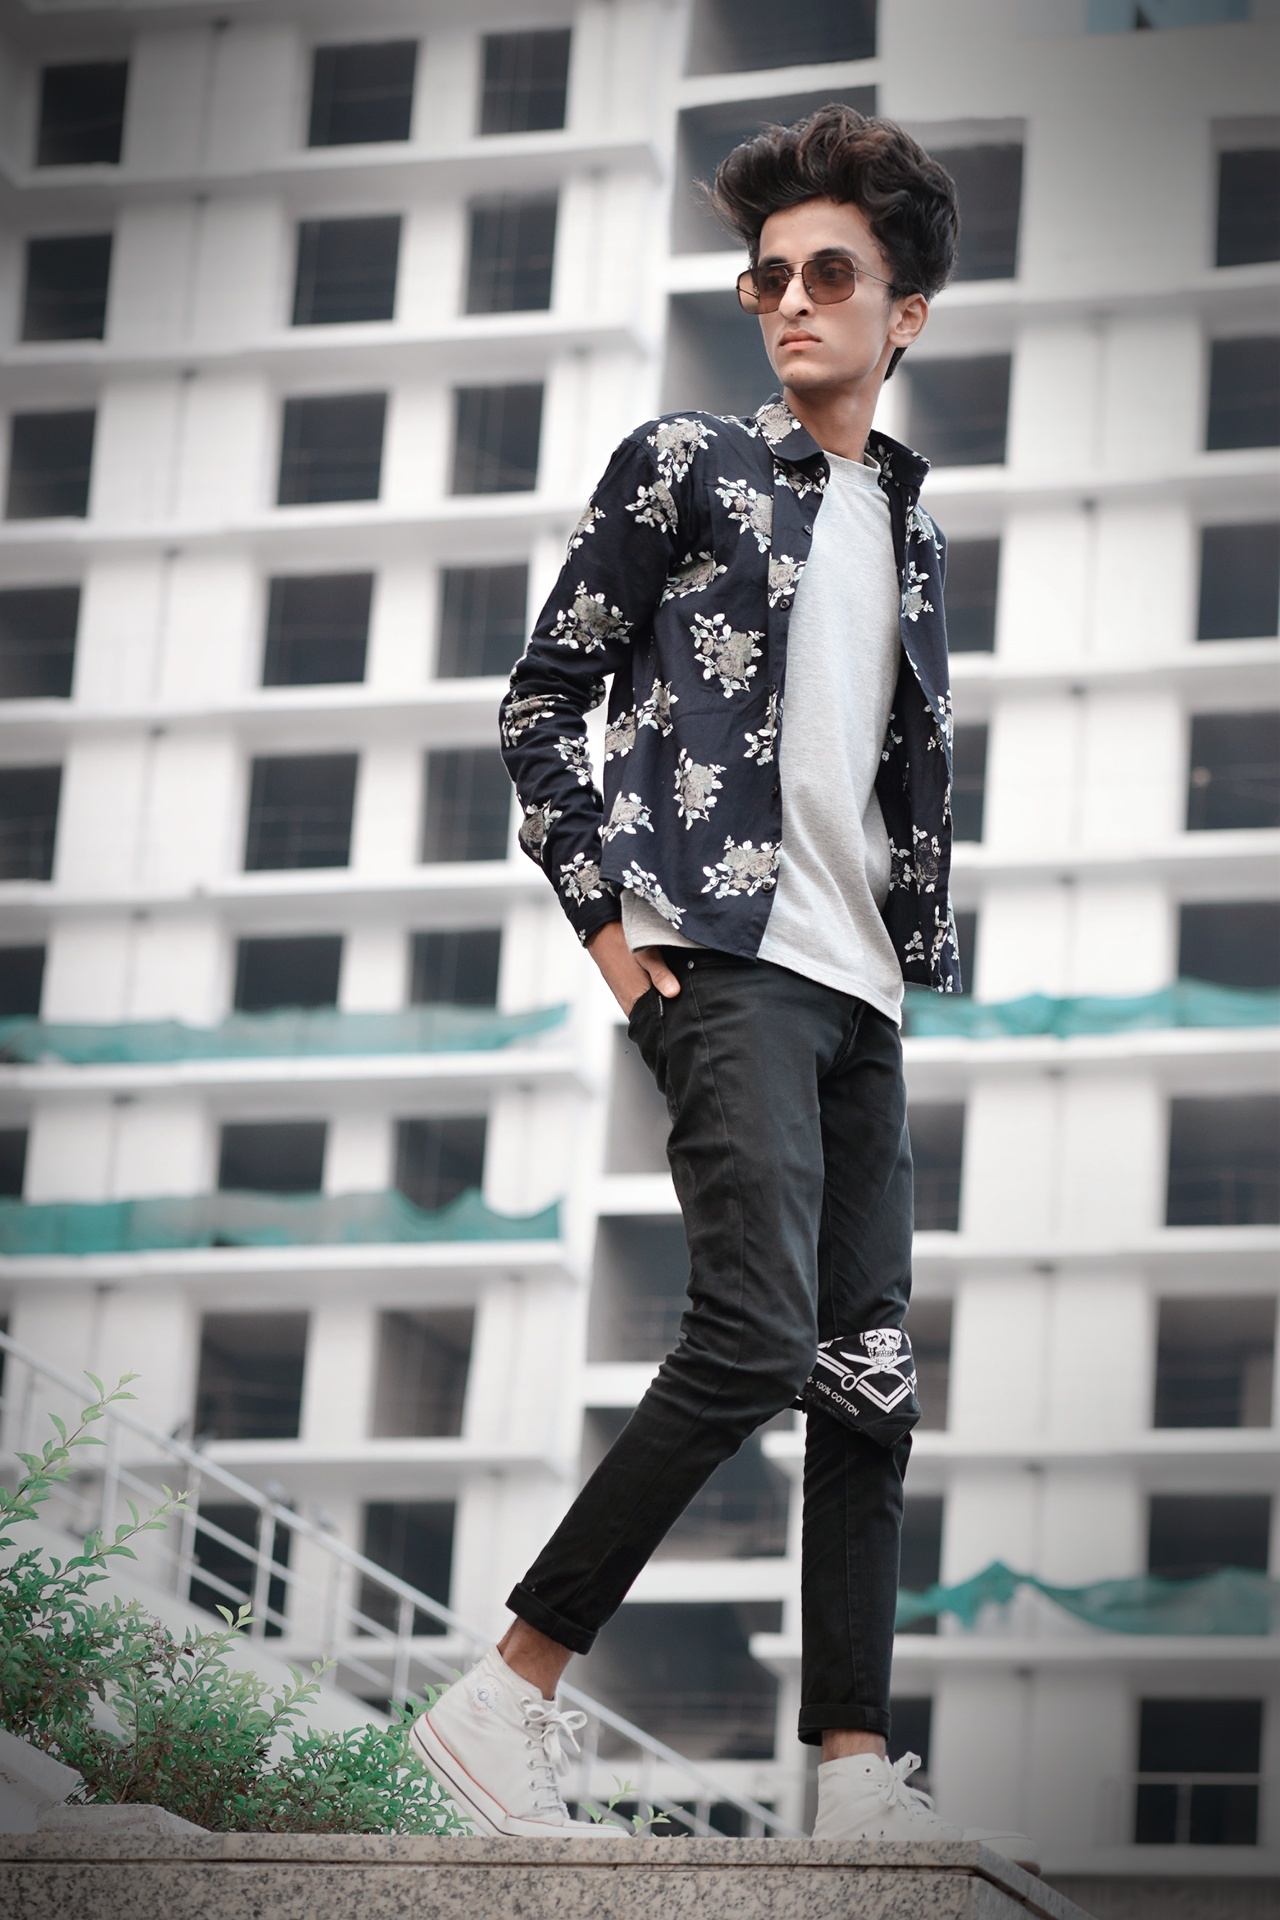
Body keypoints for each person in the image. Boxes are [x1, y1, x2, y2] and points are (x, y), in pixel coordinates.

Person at [410, 104, 1037, 1871]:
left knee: (869, 1381)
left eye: (831, 275)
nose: (792, 303)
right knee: (754, 1336)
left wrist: (901, 966)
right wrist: (620, 947)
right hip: (728, 961)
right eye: (769, 278)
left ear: (905, 313)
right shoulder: (684, 463)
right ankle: (504, 1697)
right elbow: (541, 705)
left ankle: (855, 1772)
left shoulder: (912, 531)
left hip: (862, 989)